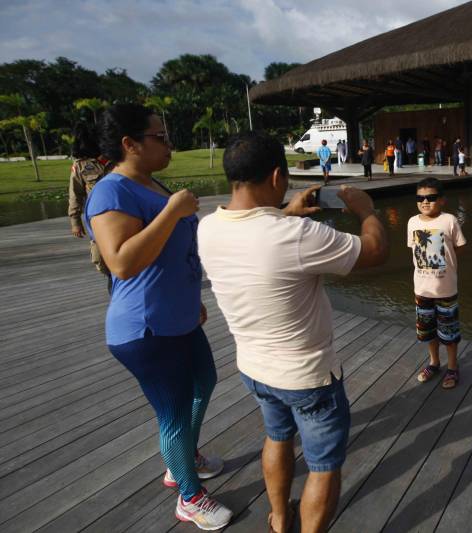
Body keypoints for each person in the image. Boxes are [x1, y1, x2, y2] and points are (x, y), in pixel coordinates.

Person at [197, 131, 388, 533]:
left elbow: (257, 236)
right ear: (277, 177)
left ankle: (281, 519)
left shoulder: (208, 228)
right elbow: (373, 251)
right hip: (308, 378)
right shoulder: (299, 236)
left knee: (277, 437)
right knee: (323, 466)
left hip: (254, 370)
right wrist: (367, 211)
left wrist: (286, 211)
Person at [84, 104, 231, 530]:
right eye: (160, 137)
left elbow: (169, 254)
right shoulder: (112, 192)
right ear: (130, 144)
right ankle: (188, 495)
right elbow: (122, 263)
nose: (168, 144)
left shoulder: (150, 183)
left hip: (179, 318)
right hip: (145, 328)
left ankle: (183, 458)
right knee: (173, 411)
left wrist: (190, 299)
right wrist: (172, 211)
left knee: (204, 382)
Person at [409, 178, 466, 390]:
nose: (425, 201)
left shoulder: (449, 220)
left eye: (431, 198)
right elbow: (413, 250)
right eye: (420, 198)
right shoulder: (412, 222)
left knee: (449, 333)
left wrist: (446, 261)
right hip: (422, 290)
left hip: (446, 289)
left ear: (441, 200)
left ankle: (452, 367)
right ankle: (434, 363)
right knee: (427, 332)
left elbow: (460, 246)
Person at [67, 121, 113, 280]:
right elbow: (75, 193)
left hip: (123, 212)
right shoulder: (80, 165)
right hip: (98, 217)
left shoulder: (115, 159)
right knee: (102, 259)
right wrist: (75, 220)